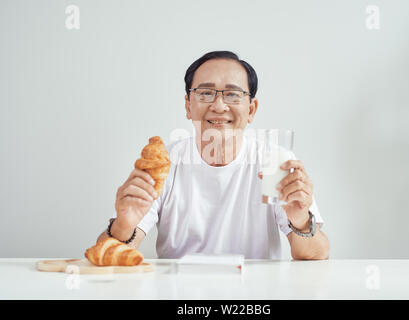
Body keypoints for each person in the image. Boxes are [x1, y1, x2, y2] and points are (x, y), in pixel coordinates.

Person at [97, 51, 330, 260]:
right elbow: (110, 255)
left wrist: (299, 220)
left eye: (232, 94)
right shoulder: (163, 163)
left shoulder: (275, 160)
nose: (219, 106)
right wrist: (124, 225)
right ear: (188, 106)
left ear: (251, 109)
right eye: (205, 93)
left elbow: (316, 255)